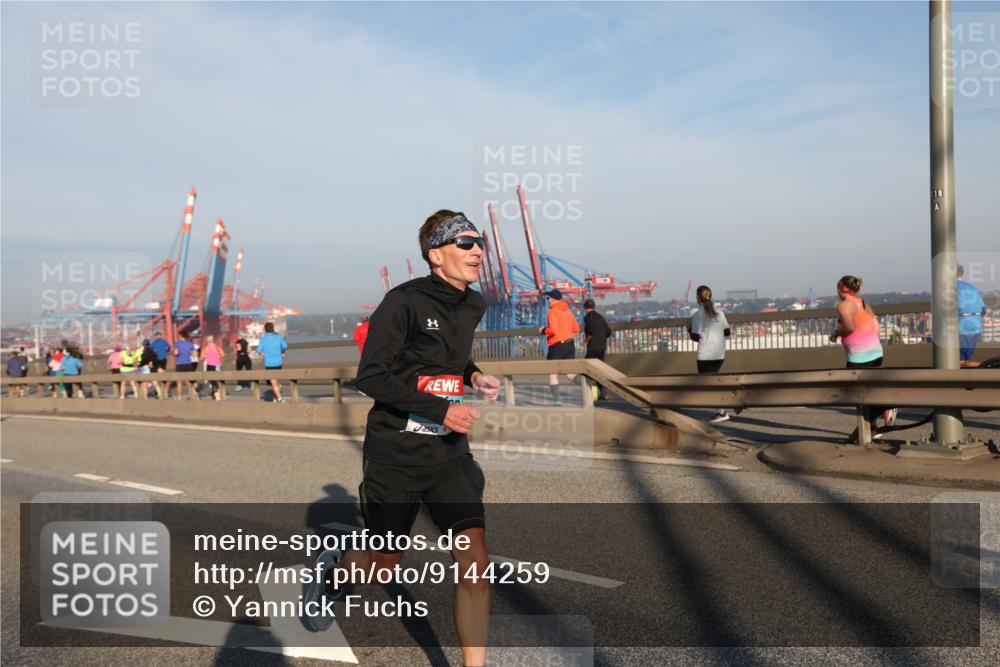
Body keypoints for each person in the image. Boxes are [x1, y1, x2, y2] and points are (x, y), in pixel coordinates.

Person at [303, 210, 500, 667]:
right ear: (436, 255)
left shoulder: (473, 304)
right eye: (465, 243)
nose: (477, 251)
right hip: (396, 454)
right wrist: (441, 409)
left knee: (475, 561)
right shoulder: (403, 302)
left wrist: (474, 376)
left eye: (480, 243)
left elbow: (449, 358)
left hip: (449, 456)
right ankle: (335, 573)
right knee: (383, 565)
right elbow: (371, 375)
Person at [829, 275, 894, 432]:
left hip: (859, 356)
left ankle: (887, 406)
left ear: (842, 289)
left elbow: (850, 327)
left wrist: (836, 334)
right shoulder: (864, 303)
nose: (836, 292)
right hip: (876, 352)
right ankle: (871, 427)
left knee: (851, 390)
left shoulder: (843, 306)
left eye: (837, 288)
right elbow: (875, 325)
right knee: (867, 391)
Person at [687, 285, 733, 422]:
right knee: (713, 382)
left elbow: (696, 337)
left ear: (698, 298)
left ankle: (723, 412)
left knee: (707, 385)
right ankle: (725, 407)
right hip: (719, 354)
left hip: (705, 355)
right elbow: (727, 332)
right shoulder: (720, 313)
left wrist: (688, 329)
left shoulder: (698, 314)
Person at [538, 288, 580, 406]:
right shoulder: (568, 311)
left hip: (557, 346)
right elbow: (576, 329)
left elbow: (554, 330)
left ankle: (557, 401)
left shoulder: (552, 311)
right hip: (570, 344)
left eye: (549, 298)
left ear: (552, 299)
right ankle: (589, 385)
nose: (548, 300)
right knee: (570, 374)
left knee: (552, 373)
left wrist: (543, 330)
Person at [582, 298, 613, 401]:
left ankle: (592, 392)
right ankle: (603, 389)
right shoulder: (600, 317)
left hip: (593, 347)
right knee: (598, 369)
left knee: (586, 368)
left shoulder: (588, 318)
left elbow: (590, 332)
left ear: (585, 309)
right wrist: (601, 338)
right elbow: (608, 332)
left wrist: (585, 341)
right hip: (602, 348)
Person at [957, 264, 987, 367]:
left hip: (961, 330)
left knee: (959, 362)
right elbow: (983, 311)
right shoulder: (973, 288)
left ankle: (987, 368)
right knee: (967, 359)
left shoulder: (952, 288)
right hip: (975, 329)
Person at [256, 322, 288, 403]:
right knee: (275, 380)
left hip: (269, 363)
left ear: (265, 329)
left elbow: (259, 350)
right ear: (273, 328)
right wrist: (282, 352)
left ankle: (280, 398)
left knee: (273, 381)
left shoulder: (263, 338)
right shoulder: (278, 337)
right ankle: (276, 397)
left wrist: (262, 353)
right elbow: (285, 346)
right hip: (278, 362)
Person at [171, 330, 197, 399]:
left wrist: (174, 354)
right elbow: (194, 354)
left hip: (180, 364)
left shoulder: (177, 344)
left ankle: (179, 398)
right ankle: (194, 395)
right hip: (188, 363)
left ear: (180, 336)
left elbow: (175, 353)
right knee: (190, 381)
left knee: (179, 382)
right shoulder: (190, 344)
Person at [201, 335, 224, 400]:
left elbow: (201, 358)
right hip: (217, 364)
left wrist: (205, 357)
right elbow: (223, 354)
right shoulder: (217, 346)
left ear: (207, 340)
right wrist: (218, 356)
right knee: (217, 379)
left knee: (212, 380)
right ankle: (217, 392)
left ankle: (216, 393)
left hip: (210, 364)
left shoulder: (205, 348)